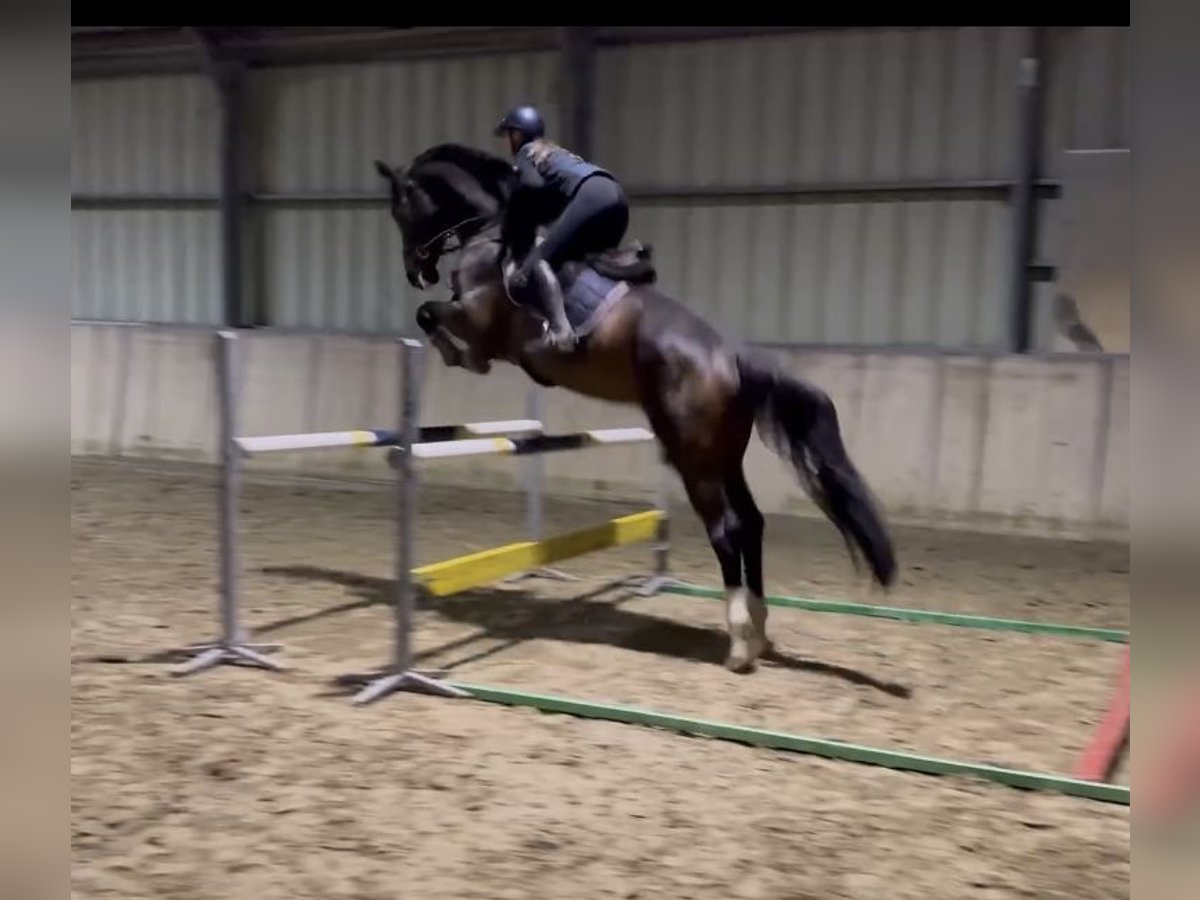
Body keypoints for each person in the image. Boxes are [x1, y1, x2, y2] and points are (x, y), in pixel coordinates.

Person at [494, 104, 630, 352]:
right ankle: (627, 272)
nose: (509, 142)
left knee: (538, 259)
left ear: (520, 134)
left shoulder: (527, 152)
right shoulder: (554, 153)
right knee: (583, 261)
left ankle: (560, 329)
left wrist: (516, 185)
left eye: (510, 134)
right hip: (616, 196)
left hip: (591, 196)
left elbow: (533, 188)